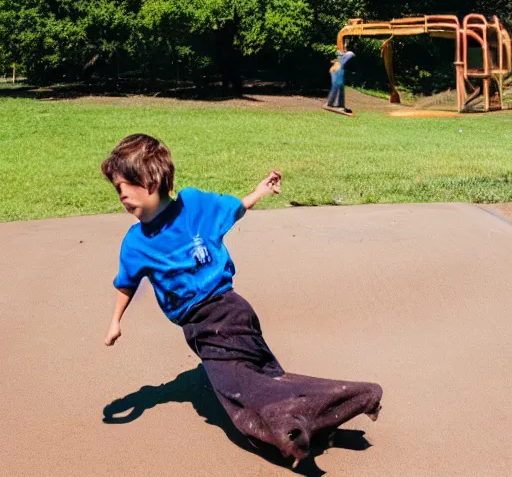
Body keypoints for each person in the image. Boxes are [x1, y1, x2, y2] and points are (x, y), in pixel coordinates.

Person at [102, 133, 382, 467]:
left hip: (219, 317)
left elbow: (232, 210)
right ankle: (323, 426)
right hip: (213, 321)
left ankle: (299, 423)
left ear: (150, 180)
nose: (120, 196)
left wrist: (260, 191)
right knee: (267, 375)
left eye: (123, 186)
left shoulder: (193, 206)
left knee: (238, 389)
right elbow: (127, 283)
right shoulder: (136, 243)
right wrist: (115, 321)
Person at [325, 48, 356, 114]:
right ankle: (332, 104)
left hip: (338, 71)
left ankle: (338, 104)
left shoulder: (345, 55)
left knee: (339, 87)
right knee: (337, 87)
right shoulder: (349, 54)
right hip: (337, 71)